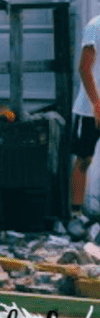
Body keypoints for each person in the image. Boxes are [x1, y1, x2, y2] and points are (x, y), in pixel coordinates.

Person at [69, 12, 100, 230]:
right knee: (84, 158)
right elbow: (84, 67)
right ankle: (75, 215)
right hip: (90, 109)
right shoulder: (95, 26)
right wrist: (96, 104)